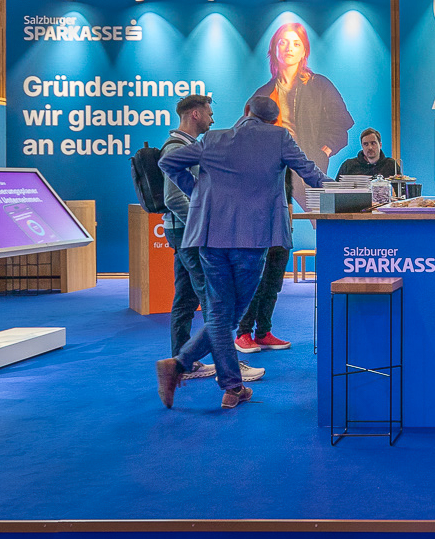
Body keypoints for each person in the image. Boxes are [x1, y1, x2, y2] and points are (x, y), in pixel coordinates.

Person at [156, 94, 326, 410]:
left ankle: (226, 384)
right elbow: (311, 174)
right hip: (252, 239)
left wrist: (199, 193)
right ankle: (188, 368)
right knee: (230, 315)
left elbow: (167, 163)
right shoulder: (279, 137)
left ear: (246, 111)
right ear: (273, 121)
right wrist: (352, 191)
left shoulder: (214, 139)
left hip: (210, 238)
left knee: (220, 314)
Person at [162, 93, 246, 383]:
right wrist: (205, 226)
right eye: (209, 113)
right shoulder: (177, 148)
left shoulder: (186, 146)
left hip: (182, 233)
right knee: (215, 303)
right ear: (195, 114)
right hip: (189, 234)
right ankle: (228, 370)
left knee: (185, 299)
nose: (212, 118)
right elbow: (173, 198)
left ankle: (181, 363)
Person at [251, 18, 354, 174]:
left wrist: (322, 152)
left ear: (304, 51)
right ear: (274, 48)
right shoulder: (263, 94)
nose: (289, 48)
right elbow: (247, 132)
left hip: (308, 168)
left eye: (296, 44)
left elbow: (341, 123)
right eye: (283, 42)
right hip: (274, 170)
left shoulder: (319, 85)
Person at [336, 128, 401, 180]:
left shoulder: (390, 165)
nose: (370, 147)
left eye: (373, 143)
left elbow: (402, 190)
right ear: (362, 146)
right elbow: (336, 189)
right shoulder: (348, 165)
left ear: (380, 145)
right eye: (366, 144)